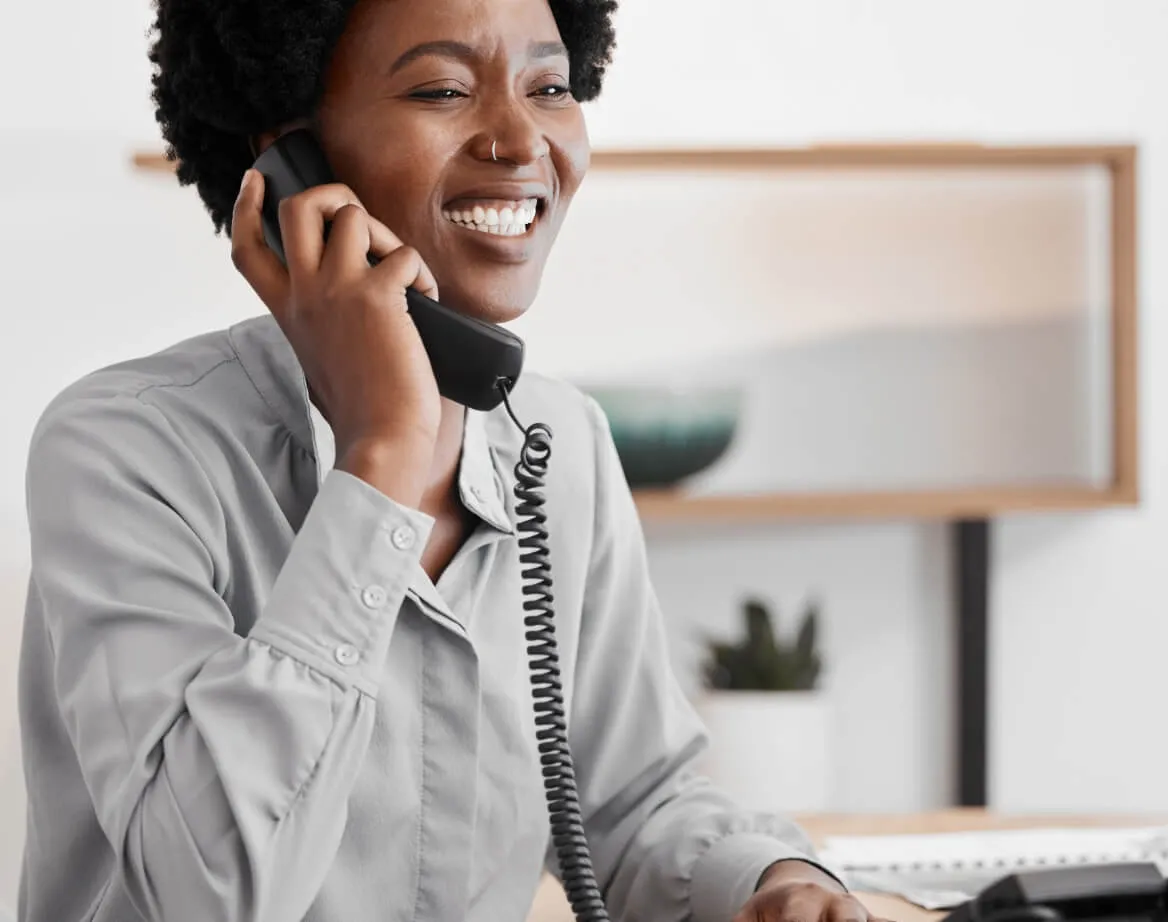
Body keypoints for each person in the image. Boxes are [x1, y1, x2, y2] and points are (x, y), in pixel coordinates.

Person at [13, 1, 876, 921]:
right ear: (290, 159)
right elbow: (207, 890)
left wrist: (769, 881)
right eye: (442, 90)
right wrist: (382, 454)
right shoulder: (126, 448)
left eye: (552, 87)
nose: (519, 139)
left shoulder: (561, 441)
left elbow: (633, 804)